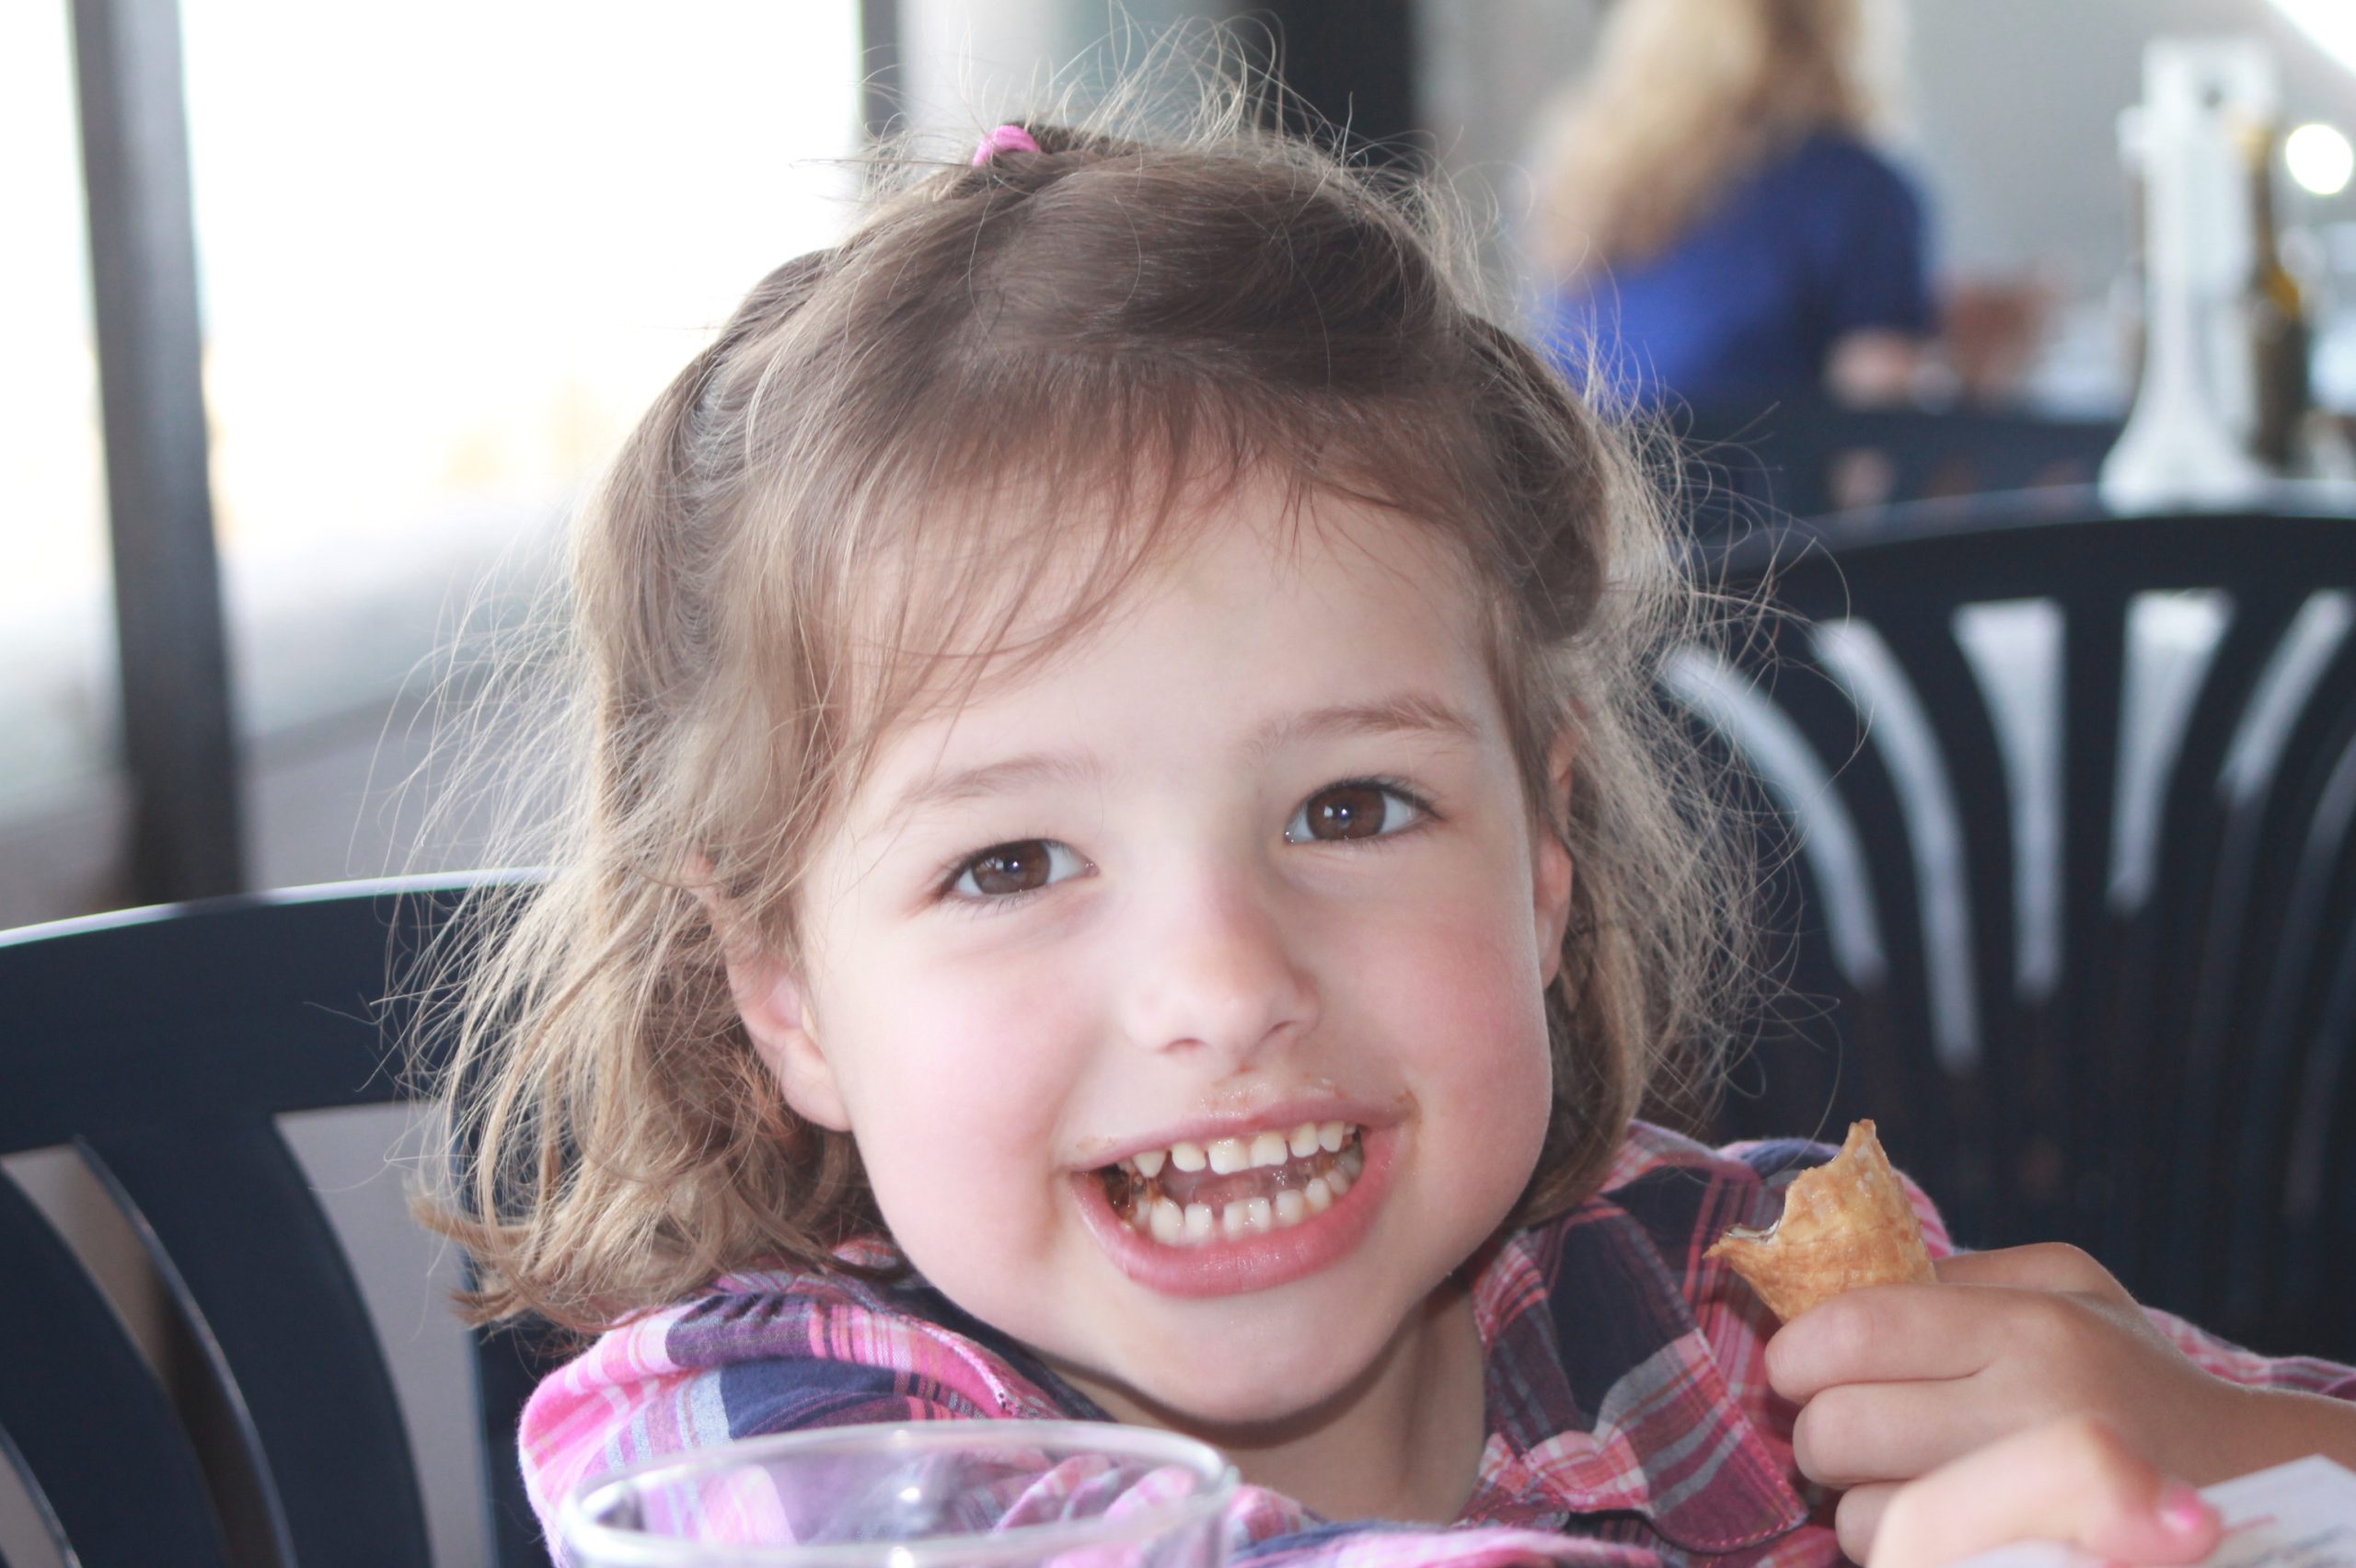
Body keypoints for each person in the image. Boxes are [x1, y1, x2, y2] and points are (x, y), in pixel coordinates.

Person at [422, 93, 2356, 1568]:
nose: (1221, 982)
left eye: (1350, 806)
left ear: (1541, 862)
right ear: (783, 993)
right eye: (1008, 862)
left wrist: (2228, 1464)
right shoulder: (759, 1447)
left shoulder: (1722, 1291)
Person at [1529, 0, 1934, 408]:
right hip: (1754, 449)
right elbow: (1879, 420)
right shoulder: (1856, 190)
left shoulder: (1588, 180)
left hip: (1584, 445)